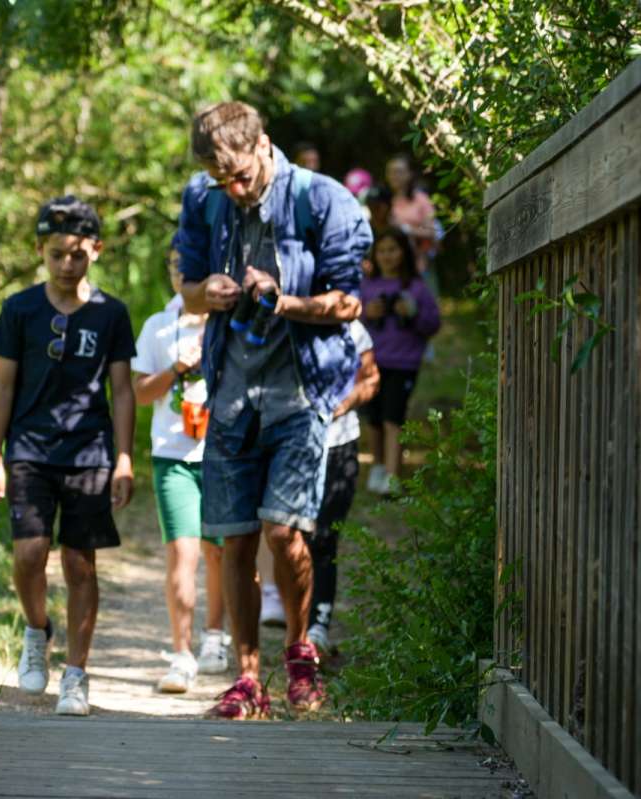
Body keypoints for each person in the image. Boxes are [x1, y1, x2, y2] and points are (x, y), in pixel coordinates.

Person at [174, 101, 372, 719]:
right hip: (230, 392)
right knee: (233, 541)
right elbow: (184, 283)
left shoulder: (324, 200)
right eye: (218, 179)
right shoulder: (203, 200)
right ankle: (246, 679)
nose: (231, 189)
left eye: (238, 176)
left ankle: (298, 655)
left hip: (300, 392)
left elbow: (350, 305)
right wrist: (202, 293)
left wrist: (283, 301)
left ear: (263, 146)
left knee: (285, 535)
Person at [0, 196, 137, 717]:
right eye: (56, 255)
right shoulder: (19, 309)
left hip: (89, 451)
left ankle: (75, 675)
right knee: (29, 554)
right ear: (40, 252)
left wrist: (123, 457)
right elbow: (1, 385)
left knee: (79, 563)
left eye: (77, 254)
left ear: (95, 249)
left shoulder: (111, 313)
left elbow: (123, 390)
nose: (67, 265)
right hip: (29, 447)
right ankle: (35, 629)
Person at [130, 248, 230, 694]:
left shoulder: (228, 322)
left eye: (190, 267)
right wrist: (177, 367)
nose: (181, 274)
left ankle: (216, 638)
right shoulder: (157, 326)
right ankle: (182, 654)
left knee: (221, 552)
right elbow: (140, 394)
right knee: (182, 554)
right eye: (174, 267)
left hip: (224, 453)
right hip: (173, 456)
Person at [305, 319, 378, 655]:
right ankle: (295, 620)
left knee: (325, 536)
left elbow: (371, 379)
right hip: (295, 443)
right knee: (293, 536)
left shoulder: (354, 328)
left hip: (340, 443)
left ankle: (318, 624)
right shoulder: (287, 317)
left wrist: (342, 405)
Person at [361, 227, 441, 496]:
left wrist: (413, 314)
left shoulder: (416, 288)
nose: (387, 255)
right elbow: (353, 320)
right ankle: (378, 467)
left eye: (393, 249)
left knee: (392, 418)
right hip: (371, 361)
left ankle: (393, 479)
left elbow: (433, 324)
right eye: (382, 250)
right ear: (375, 254)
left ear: (404, 253)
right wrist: (367, 314)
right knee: (373, 419)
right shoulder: (367, 286)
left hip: (404, 363)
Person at [384, 154, 439, 275]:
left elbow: (432, 232)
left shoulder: (421, 199)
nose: (394, 176)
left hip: (420, 267)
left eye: (398, 171)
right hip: (391, 270)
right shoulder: (385, 201)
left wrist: (404, 228)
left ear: (409, 174)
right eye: (390, 172)